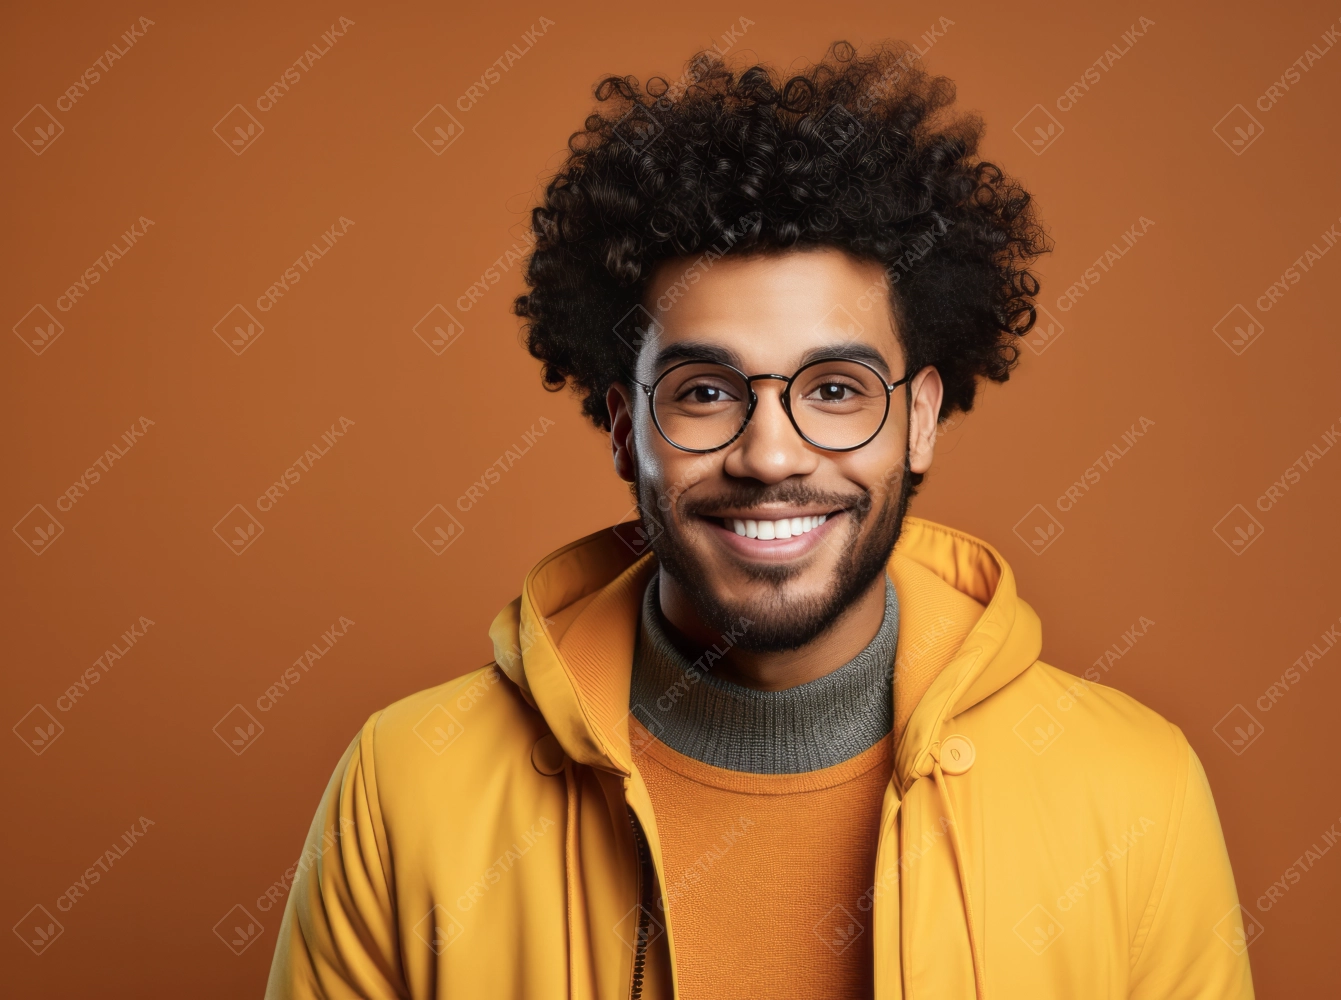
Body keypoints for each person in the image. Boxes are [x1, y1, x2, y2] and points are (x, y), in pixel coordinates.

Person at [266, 41, 1255, 1000]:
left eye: (834, 389)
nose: (771, 455)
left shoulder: (1136, 791)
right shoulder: (404, 789)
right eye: (704, 392)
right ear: (624, 427)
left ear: (917, 420)